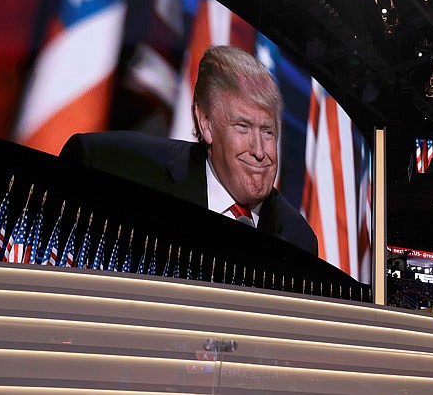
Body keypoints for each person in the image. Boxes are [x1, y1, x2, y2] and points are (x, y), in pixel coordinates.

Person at [59, 44, 318, 256]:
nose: (260, 151)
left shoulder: (298, 238)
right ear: (206, 124)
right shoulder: (109, 166)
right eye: (242, 127)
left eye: (268, 131)